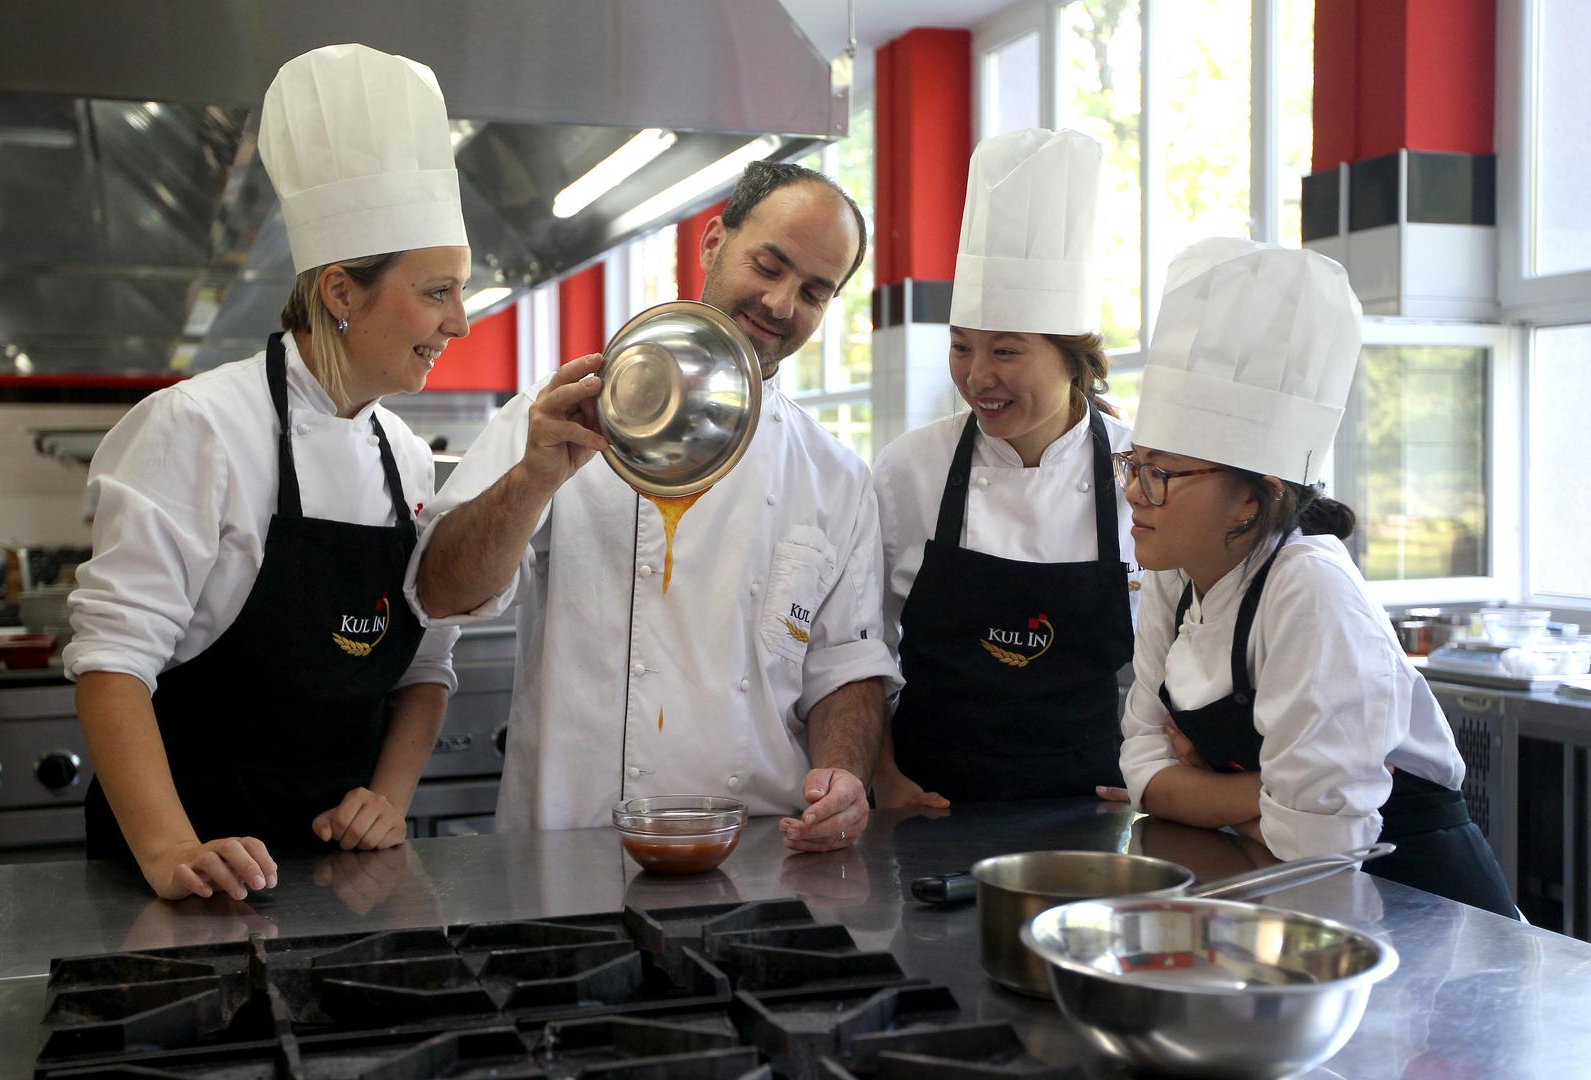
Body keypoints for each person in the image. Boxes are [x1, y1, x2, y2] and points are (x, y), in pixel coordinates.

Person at [64, 43, 469, 901]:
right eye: (437, 292)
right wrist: (171, 851)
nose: (460, 322)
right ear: (340, 293)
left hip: (340, 876)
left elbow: (425, 666)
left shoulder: (403, 454)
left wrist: (388, 802)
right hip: (190, 874)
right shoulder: (198, 428)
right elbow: (111, 661)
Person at [408, 162, 899, 852]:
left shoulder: (835, 477)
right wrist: (535, 477)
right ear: (711, 243)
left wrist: (844, 773)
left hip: (759, 851)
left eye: (814, 292)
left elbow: (843, 663)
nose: (781, 303)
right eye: (768, 265)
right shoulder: (560, 413)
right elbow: (440, 590)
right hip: (567, 851)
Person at [1104, 237, 1517, 918]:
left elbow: (1316, 846)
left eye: (1162, 473)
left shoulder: (1309, 588)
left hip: (1424, 911)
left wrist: (1209, 789)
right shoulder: (1172, 577)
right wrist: (1258, 796)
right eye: (1133, 466)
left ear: (1252, 497)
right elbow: (1141, 765)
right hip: (1296, 904)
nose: (1135, 494)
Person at [872, 129, 1141, 808]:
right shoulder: (910, 468)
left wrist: (1153, 774)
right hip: (929, 800)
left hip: (1091, 803)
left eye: (1007, 352)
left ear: (1071, 357)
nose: (977, 376)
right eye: (961, 348)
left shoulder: (1139, 473)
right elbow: (859, 641)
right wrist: (882, 776)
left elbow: (1169, 660)